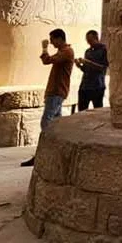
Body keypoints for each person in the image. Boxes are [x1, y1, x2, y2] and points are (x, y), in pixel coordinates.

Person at [20, 29, 75, 167]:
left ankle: (45, 151)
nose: (51, 42)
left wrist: (44, 48)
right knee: (56, 122)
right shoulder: (63, 51)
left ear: (60, 39)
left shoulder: (67, 52)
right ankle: (55, 151)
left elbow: (48, 60)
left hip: (57, 91)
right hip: (55, 91)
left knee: (46, 121)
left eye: (52, 40)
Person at [75, 30, 108, 111]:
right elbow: (86, 69)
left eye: (90, 40)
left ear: (96, 38)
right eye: (87, 41)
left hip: (97, 86)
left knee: (98, 110)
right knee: (81, 110)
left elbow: (103, 68)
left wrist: (88, 62)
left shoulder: (104, 50)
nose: (89, 43)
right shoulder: (88, 51)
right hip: (85, 86)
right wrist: (79, 65)